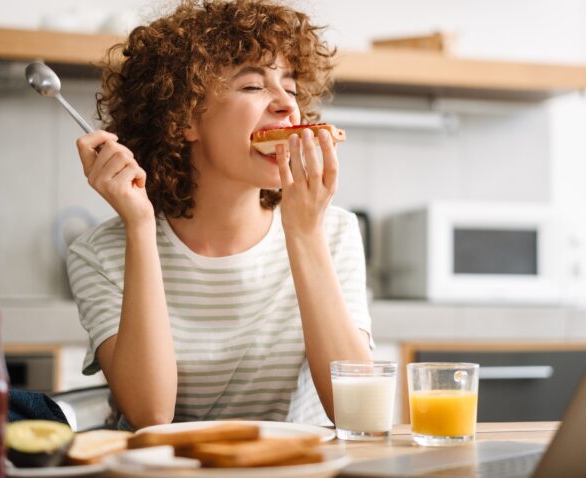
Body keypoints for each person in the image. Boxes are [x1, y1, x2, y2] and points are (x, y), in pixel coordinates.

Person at [67, 0, 373, 430]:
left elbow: (358, 413)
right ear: (183, 117)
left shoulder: (332, 230)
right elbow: (151, 415)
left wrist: (303, 234)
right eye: (253, 86)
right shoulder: (100, 253)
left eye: (290, 84)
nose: (288, 106)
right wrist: (139, 227)